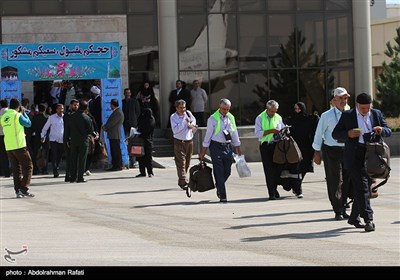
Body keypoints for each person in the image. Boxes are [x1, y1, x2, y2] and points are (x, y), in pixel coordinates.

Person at [332, 93, 391, 232]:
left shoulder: (376, 114)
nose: (365, 111)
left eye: (367, 108)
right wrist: (348, 134)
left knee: (365, 188)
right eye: (362, 108)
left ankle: (354, 217)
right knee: (362, 187)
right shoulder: (348, 115)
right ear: (357, 105)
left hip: (372, 155)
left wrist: (381, 130)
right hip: (355, 155)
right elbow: (335, 134)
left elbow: (388, 130)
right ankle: (369, 219)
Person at [312, 87, 351, 221]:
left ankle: (344, 206)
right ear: (334, 100)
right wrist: (316, 152)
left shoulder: (351, 113)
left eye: (345, 98)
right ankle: (337, 209)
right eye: (340, 98)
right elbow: (319, 134)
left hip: (347, 150)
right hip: (331, 150)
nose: (343, 101)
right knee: (335, 180)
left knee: (346, 180)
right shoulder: (326, 115)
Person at [199, 98, 242, 203]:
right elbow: (208, 136)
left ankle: (219, 184)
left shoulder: (231, 117)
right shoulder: (212, 119)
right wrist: (203, 151)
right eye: (224, 109)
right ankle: (223, 195)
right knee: (218, 170)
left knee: (227, 170)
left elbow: (234, 133)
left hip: (227, 146)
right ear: (219, 107)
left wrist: (238, 148)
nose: (225, 111)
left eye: (227, 109)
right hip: (215, 146)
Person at [283, 102, 319, 198]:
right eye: (295, 109)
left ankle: (296, 187)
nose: (297, 111)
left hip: (306, 148)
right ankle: (298, 189)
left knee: (304, 167)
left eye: (299, 109)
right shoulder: (291, 120)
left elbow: (315, 121)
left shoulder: (308, 120)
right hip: (294, 148)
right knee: (296, 168)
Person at [0, 98, 34, 198]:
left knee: (16, 169)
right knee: (28, 166)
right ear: (19, 107)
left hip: (9, 146)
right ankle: (23, 189)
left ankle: (18, 190)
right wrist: (23, 113)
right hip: (19, 145)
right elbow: (28, 124)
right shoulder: (17, 115)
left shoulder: (3, 116)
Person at [254, 100, 286, 200]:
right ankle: (271, 193)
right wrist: (271, 131)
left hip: (277, 146)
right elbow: (257, 133)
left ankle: (274, 189)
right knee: (269, 170)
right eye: (272, 111)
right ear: (267, 109)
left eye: (275, 111)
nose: (273, 113)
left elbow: (282, 128)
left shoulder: (278, 117)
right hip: (266, 146)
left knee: (278, 168)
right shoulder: (260, 118)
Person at [64, 100, 94, 183]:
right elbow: (91, 130)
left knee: (73, 159)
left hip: (73, 140)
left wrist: (67, 139)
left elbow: (67, 129)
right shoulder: (86, 117)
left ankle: (72, 177)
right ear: (86, 108)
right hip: (83, 141)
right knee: (82, 159)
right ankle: (80, 177)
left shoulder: (71, 116)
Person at [170, 99, 196, 190]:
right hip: (179, 142)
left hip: (189, 141)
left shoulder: (188, 113)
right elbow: (175, 130)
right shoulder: (173, 117)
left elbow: (194, 121)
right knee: (181, 163)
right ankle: (184, 181)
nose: (183, 110)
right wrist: (184, 123)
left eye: (184, 107)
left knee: (187, 163)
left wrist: (191, 124)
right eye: (181, 108)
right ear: (176, 108)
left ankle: (181, 180)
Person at [41, 103, 64, 178]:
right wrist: (42, 136)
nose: (61, 110)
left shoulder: (65, 117)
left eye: (62, 109)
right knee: (54, 154)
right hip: (53, 139)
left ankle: (56, 166)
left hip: (62, 139)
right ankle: (55, 170)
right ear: (56, 109)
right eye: (59, 109)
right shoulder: (51, 118)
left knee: (60, 155)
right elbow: (45, 128)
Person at [102, 99, 124, 171]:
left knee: (116, 151)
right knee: (114, 150)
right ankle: (116, 165)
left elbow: (112, 123)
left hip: (115, 134)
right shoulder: (116, 112)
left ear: (112, 105)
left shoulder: (118, 113)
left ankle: (117, 165)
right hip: (113, 134)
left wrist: (105, 127)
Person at [122, 87, 141, 168]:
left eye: (128, 93)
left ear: (130, 93)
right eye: (126, 93)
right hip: (124, 125)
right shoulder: (122, 102)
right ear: (124, 94)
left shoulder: (135, 102)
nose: (127, 94)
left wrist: (134, 120)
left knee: (133, 143)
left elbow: (138, 112)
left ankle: (134, 161)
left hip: (133, 125)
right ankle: (127, 161)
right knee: (125, 143)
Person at [135, 108, 156, 178]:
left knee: (145, 157)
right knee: (144, 157)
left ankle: (146, 172)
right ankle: (147, 172)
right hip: (148, 141)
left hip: (144, 141)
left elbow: (141, 129)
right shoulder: (151, 120)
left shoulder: (148, 121)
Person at [63, 99, 79, 182]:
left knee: (75, 158)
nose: (76, 106)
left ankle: (72, 174)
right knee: (70, 158)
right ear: (70, 105)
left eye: (77, 105)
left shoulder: (77, 114)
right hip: (68, 138)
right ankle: (68, 175)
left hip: (75, 138)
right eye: (74, 105)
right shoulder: (68, 115)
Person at [31, 103, 50, 175]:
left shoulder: (35, 117)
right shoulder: (48, 117)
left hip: (37, 137)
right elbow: (49, 128)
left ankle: (36, 169)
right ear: (45, 109)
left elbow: (32, 127)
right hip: (46, 136)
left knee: (36, 153)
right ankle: (44, 169)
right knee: (46, 153)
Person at [0, 99, 11, 177]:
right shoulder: (11, 112)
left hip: (1, 135)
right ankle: (10, 171)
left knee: (2, 154)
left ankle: (4, 171)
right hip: (10, 136)